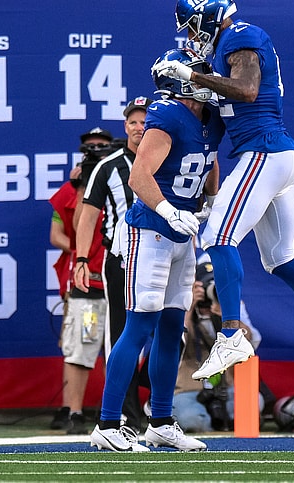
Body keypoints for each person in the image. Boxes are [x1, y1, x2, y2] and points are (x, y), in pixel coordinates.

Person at [154, 0, 294, 395]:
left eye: (191, 26)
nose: (190, 35)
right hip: (278, 154)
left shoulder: (239, 36)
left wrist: (189, 74)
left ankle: (232, 334)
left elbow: (247, 90)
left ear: (207, 18)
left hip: (264, 151)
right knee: (280, 257)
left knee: (218, 236)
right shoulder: (229, 46)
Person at [89, 47, 223, 452]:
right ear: (181, 81)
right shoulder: (165, 115)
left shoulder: (210, 119)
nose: (206, 79)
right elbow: (139, 176)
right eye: (198, 74)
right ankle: (108, 424)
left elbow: (209, 161)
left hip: (184, 233)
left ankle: (161, 421)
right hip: (149, 232)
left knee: (172, 330)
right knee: (140, 326)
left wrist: (212, 203)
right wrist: (166, 209)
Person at [74, 96, 153, 431]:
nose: (138, 127)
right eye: (133, 122)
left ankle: (152, 405)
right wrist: (80, 259)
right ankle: (125, 415)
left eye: (144, 120)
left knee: (172, 333)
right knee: (120, 336)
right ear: (125, 127)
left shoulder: (167, 157)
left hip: (159, 257)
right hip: (120, 260)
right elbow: (88, 217)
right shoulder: (108, 165)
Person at [47, 127, 115, 434]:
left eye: (101, 146)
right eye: (90, 148)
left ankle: (117, 411)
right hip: (89, 282)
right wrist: (80, 186)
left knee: (119, 348)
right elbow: (67, 231)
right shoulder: (71, 190)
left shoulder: (121, 177)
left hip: (119, 280)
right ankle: (73, 411)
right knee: (82, 344)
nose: (96, 151)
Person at [173, 257, 263, 433]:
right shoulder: (182, 302)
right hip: (189, 388)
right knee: (194, 422)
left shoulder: (231, 305)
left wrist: (230, 318)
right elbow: (176, 339)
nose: (211, 292)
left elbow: (252, 341)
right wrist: (189, 306)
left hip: (225, 386)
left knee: (252, 403)